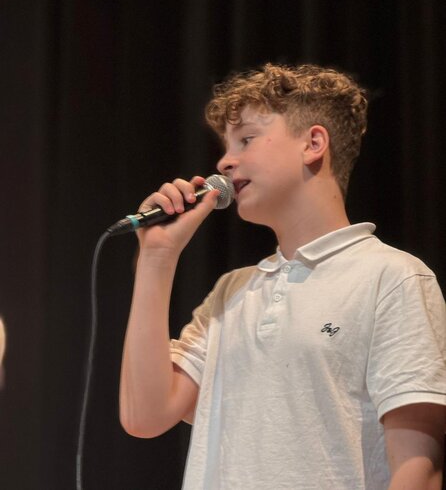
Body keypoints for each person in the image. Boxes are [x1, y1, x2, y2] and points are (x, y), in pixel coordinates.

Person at [119, 63, 446, 489]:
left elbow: (419, 467)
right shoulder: (231, 292)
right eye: (226, 146)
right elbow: (144, 416)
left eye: (246, 139)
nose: (225, 161)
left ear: (313, 143)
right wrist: (157, 258)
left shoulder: (391, 277)